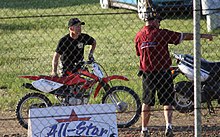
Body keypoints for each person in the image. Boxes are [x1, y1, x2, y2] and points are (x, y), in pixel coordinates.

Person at [134, 10, 213, 137]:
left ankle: (144, 129)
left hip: (147, 73)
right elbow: (184, 36)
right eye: (158, 21)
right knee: (167, 100)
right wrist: (203, 35)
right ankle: (168, 127)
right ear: (154, 21)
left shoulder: (138, 36)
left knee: (147, 101)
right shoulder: (162, 33)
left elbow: (139, 53)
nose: (159, 24)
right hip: (163, 71)